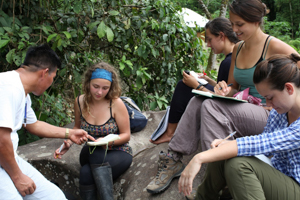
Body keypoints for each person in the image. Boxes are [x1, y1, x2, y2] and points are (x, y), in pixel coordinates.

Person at [146, 0, 299, 196]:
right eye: (232, 24)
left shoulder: (275, 46)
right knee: (198, 100)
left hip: (265, 111)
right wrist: (223, 89)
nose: (234, 30)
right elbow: (234, 86)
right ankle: (174, 157)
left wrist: (273, 102)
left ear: (256, 21)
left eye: (240, 24)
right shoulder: (238, 48)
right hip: (247, 107)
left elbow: (294, 77)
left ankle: (210, 162)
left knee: (212, 107)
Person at [179, 53, 300, 200]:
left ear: (289, 88)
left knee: (239, 164)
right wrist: (227, 144)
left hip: (295, 187)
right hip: (279, 175)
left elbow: (266, 143)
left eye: (270, 97)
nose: (268, 104)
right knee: (223, 151)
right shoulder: (280, 111)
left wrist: (199, 158)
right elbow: (265, 140)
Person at [0, 44, 94, 200]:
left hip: (7, 157)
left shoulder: (22, 91)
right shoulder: (8, 87)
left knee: (53, 196)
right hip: (4, 155)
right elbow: (1, 140)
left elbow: (33, 124)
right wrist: (17, 176)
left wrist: (70, 133)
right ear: (44, 73)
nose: (52, 82)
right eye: (53, 77)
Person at [150, 17, 239, 145]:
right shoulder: (234, 57)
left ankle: (170, 133)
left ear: (221, 36)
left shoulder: (228, 62)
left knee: (183, 85)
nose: (208, 45)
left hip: (226, 109)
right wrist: (208, 80)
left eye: (209, 39)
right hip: (229, 104)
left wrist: (196, 85)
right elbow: (225, 89)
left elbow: (222, 99)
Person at [54, 62, 132, 200]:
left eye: (105, 88)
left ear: (111, 87)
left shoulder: (116, 103)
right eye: (95, 86)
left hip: (118, 152)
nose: (99, 92)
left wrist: (108, 142)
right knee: (95, 153)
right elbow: (77, 127)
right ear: (88, 83)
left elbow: (126, 135)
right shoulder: (80, 101)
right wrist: (68, 142)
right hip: (90, 152)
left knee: (85, 173)